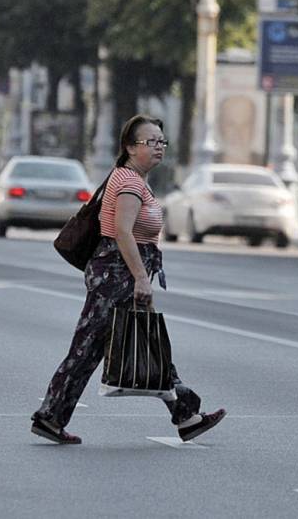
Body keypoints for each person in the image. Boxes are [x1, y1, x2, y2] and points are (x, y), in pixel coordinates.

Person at [31, 114, 226, 445]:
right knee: (88, 350)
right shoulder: (129, 182)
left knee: (146, 347)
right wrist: (140, 278)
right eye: (150, 141)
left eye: (161, 141)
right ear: (129, 147)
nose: (158, 147)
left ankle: (186, 416)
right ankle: (50, 416)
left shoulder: (134, 179)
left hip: (120, 275)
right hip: (116, 277)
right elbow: (122, 232)